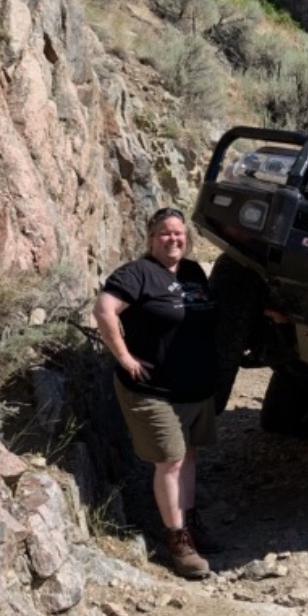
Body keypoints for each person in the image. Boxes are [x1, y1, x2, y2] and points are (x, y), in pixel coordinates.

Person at [93, 207, 219, 580]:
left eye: (179, 233)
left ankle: (191, 526)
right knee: (172, 461)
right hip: (153, 391)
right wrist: (125, 357)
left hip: (195, 390)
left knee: (189, 455)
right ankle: (178, 542)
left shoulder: (194, 273)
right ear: (151, 238)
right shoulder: (137, 274)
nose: (173, 239)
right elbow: (104, 310)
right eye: (165, 234)